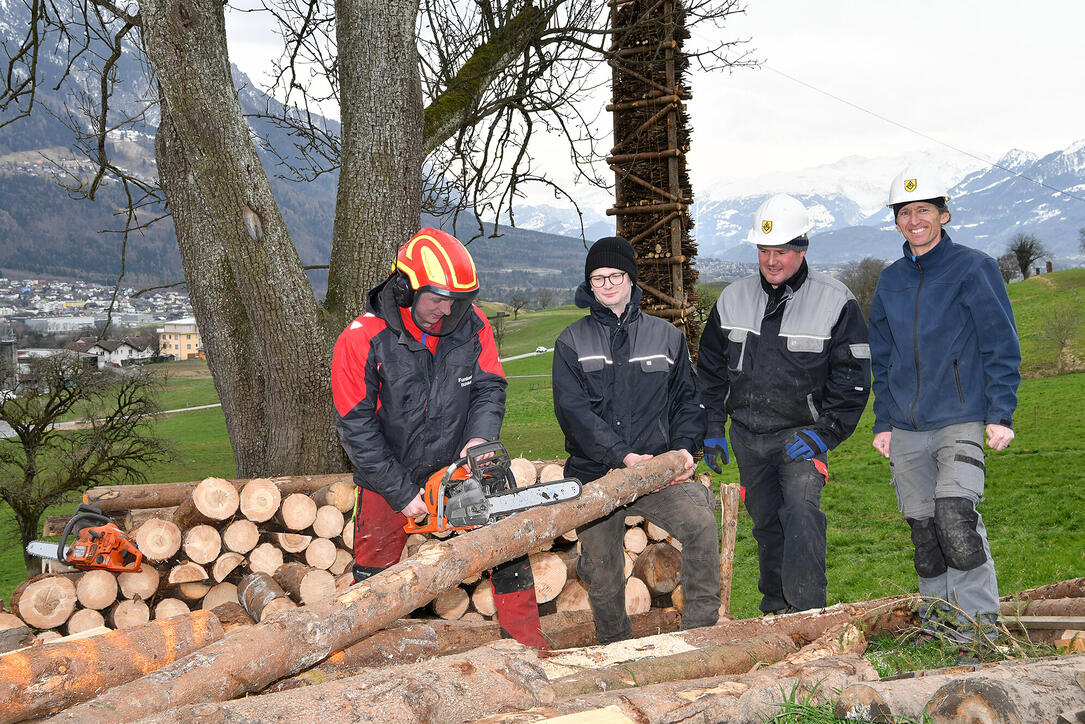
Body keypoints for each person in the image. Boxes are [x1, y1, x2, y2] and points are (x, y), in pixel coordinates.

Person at [331, 227, 545, 648]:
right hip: (389, 470)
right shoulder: (361, 338)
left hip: (457, 460)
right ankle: (368, 658)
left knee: (507, 547)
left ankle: (527, 647)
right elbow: (356, 428)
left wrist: (479, 439)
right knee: (375, 572)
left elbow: (490, 387)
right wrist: (401, 492)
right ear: (406, 288)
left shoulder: (473, 325)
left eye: (457, 301)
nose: (447, 310)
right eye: (438, 298)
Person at [697, 194, 871, 615]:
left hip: (800, 436)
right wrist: (711, 429)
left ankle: (809, 616)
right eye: (764, 251)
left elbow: (853, 379)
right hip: (747, 437)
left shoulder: (835, 301)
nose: (772, 261)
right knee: (766, 525)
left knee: (801, 516)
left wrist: (823, 433)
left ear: (802, 250)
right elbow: (709, 371)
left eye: (781, 252)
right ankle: (776, 613)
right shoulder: (732, 299)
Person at [869, 165, 1020, 642]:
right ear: (896, 222)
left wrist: (1000, 413)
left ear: (944, 214)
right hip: (908, 426)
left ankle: (978, 631)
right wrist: (885, 421)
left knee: (955, 520)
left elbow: (1000, 342)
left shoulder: (974, 267)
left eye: (924, 210)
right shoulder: (889, 281)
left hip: (960, 416)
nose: (915, 220)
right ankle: (939, 624)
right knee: (924, 531)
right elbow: (883, 357)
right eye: (905, 213)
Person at [552, 236, 720, 644]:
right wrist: (621, 455)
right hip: (596, 473)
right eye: (597, 278)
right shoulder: (571, 342)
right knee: (603, 568)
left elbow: (686, 400)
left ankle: (700, 638)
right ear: (588, 285)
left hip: (654, 472)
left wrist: (682, 449)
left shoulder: (666, 337)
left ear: (631, 278)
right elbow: (574, 415)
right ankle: (615, 648)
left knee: (700, 525)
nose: (607, 285)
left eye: (615, 276)